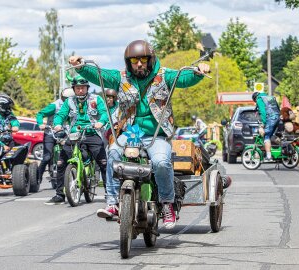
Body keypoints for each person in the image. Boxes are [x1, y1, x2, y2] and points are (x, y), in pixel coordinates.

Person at [69, 39, 210, 229]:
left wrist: (199, 71)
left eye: (143, 59)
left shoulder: (164, 75)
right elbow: (99, 75)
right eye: (134, 61)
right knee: (112, 153)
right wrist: (81, 66)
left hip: (157, 135)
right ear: (128, 62)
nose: (139, 64)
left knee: (161, 162)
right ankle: (112, 202)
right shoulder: (121, 77)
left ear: (150, 59)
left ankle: (167, 203)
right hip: (130, 133)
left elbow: (184, 77)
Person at [45, 77, 109, 205]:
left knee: (103, 163)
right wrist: (57, 124)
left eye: (83, 87)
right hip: (74, 134)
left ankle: (111, 194)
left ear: (87, 88)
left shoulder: (96, 99)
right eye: (78, 88)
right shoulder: (69, 101)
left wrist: (101, 122)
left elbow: (104, 113)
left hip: (92, 133)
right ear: (73, 89)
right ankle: (60, 194)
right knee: (61, 162)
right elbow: (60, 115)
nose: (80, 90)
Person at [36, 88, 75, 183]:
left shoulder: (75, 105)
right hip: (51, 133)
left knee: (70, 154)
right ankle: (38, 178)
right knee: (47, 157)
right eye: (65, 99)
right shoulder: (54, 105)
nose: (67, 101)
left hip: (65, 133)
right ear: (62, 97)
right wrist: (41, 123)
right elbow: (40, 114)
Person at [252, 91, 281, 161]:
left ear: (255, 98)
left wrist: (263, 124)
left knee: (266, 136)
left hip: (271, 118)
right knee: (271, 135)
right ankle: (277, 151)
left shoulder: (259, 99)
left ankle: (269, 156)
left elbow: (263, 112)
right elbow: (277, 107)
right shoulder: (269, 97)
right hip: (277, 117)